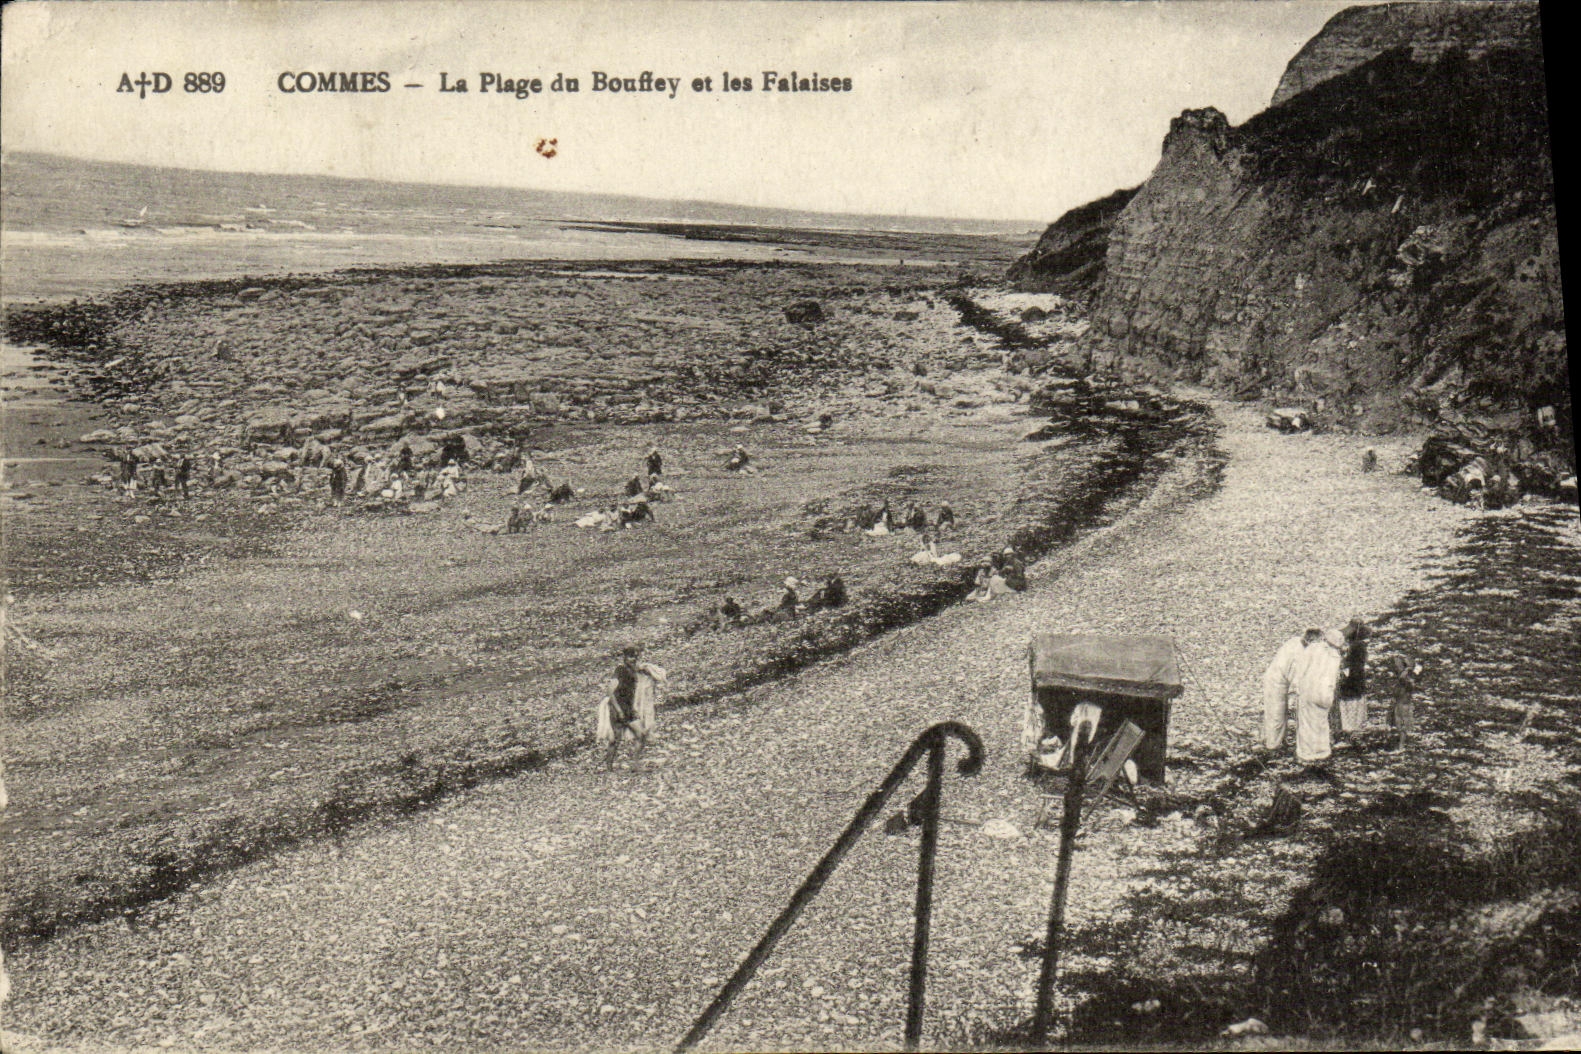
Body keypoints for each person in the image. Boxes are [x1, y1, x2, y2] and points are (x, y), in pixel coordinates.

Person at [597, 645, 667, 771]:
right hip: (617, 708)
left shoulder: (633, 672)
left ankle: (634, 764)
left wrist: (633, 708)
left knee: (641, 734)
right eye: (630, 657)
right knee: (615, 740)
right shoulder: (620, 670)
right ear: (625, 657)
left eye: (635, 657)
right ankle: (609, 768)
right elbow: (610, 692)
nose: (633, 659)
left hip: (627, 709)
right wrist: (618, 710)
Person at [1262, 629, 1322, 755]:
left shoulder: (1294, 641)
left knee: (1279, 713)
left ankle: (1278, 740)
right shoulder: (1300, 654)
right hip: (1276, 683)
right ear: (1310, 642)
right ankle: (1272, 746)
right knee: (1276, 714)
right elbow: (1296, 680)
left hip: (1276, 678)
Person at [1333, 618, 1370, 736]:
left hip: (1352, 679)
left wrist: (1343, 666)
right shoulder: (1359, 645)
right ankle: (1354, 728)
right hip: (1357, 678)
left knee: (1350, 702)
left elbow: (1351, 665)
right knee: (1356, 702)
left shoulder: (1356, 647)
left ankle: (1350, 729)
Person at [1386, 654, 1422, 752]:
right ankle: (1397, 743)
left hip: (1403, 704)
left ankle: (1401, 745)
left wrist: (1408, 670)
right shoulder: (1403, 677)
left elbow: (1405, 680)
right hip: (1398, 702)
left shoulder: (1407, 678)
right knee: (1396, 724)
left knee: (1401, 724)